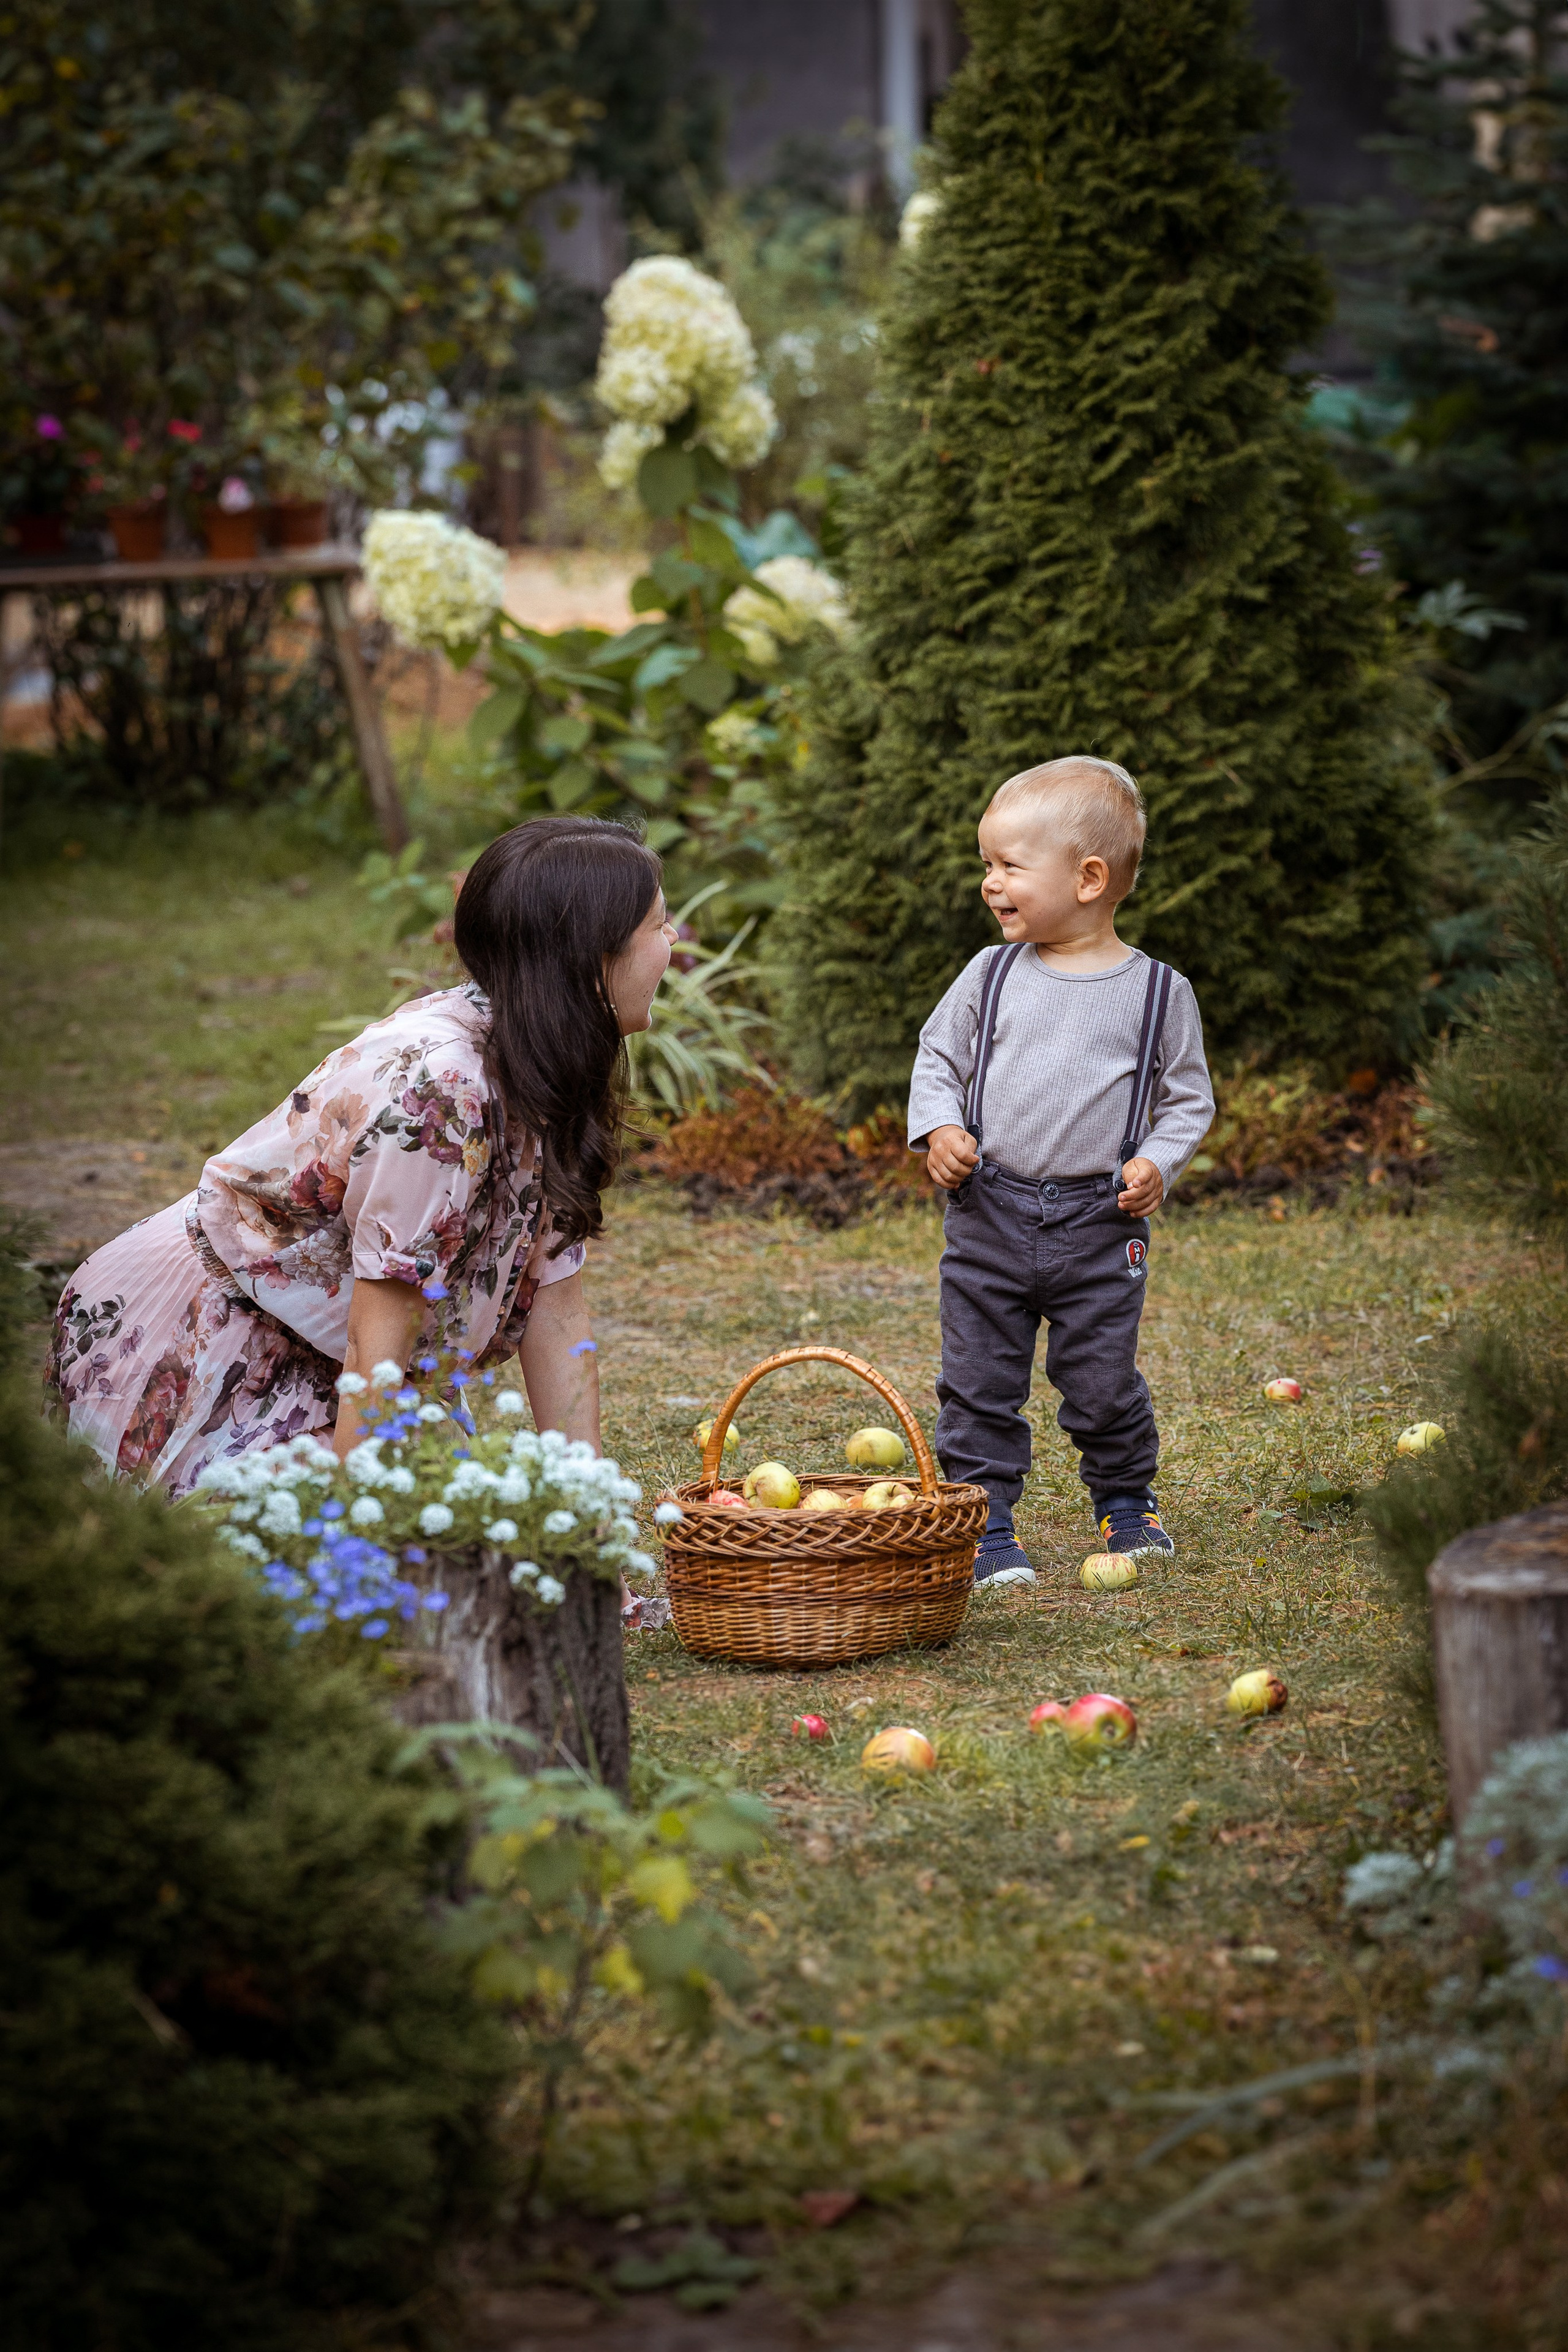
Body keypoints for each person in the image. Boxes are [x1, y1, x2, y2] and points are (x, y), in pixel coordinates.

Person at [47, 816, 676, 1525]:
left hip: (331, 1351)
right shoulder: (443, 1090)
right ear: (590, 957)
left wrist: (590, 1527)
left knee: (466, 1546)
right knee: (325, 1578)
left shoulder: (548, 1054)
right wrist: (359, 1548)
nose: (673, 943)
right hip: (209, 1332)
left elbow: (556, 1309)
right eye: (659, 924)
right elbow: (377, 1335)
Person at [907, 758, 1214, 1589]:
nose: (990, 883)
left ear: (1089, 878)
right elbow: (939, 1058)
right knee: (977, 1378)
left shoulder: (1157, 993)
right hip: (990, 1212)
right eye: (987, 865)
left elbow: (1189, 1101)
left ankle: (1125, 1500)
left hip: (1099, 1222)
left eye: (1009, 865)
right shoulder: (990, 974)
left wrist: (1156, 1159)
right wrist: (939, 1127)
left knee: (1102, 1377)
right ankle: (984, 1523)